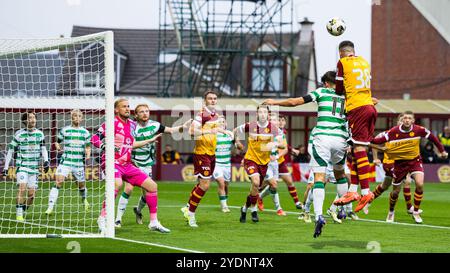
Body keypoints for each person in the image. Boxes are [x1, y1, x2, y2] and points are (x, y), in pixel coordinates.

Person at [263, 71, 349, 238]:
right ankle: (341, 209)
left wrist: (275, 102)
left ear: (325, 83)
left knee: (318, 178)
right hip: (340, 140)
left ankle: (318, 215)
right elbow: (371, 102)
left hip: (323, 138)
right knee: (341, 176)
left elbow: (295, 102)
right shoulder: (347, 96)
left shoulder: (320, 92)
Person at [93, 98, 170, 234]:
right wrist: (105, 146)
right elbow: (94, 138)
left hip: (127, 164)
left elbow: (130, 144)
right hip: (112, 161)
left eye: (128, 106)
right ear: (116, 110)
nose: (127, 108)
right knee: (117, 184)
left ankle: (153, 222)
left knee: (152, 186)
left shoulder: (133, 125)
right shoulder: (111, 123)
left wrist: (148, 140)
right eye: (124, 106)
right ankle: (103, 218)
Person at [114, 103, 191, 227]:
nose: (145, 113)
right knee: (128, 188)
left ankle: (138, 211)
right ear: (136, 115)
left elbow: (171, 130)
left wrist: (184, 127)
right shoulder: (132, 127)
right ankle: (118, 219)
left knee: (147, 192)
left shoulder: (155, 125)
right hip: (132, 163)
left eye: (147, 111)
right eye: (141, 112)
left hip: (147, 164)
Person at [371, 110, 448, 223]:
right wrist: (364, 138)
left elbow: (433, 138)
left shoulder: (419, 130)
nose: (407, 120)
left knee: (419, 184)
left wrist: (442, 151)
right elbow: (377, 140)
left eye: (409, 118)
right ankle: (391, 212)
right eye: (405, 118)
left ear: (413, 120)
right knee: (395, 191)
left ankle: (415, 212)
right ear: (402, 120)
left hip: (415, 161)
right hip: (399, 164)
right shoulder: (394, 131)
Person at [333, 40, 377, 212]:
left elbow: (338, 89)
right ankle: (352, 191)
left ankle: (365, 191)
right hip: (370, 107)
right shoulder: (365, 62)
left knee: (358, 150)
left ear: (342, 53)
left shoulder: (343, 62)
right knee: (357, 151)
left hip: (357, 108)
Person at [181, 90, 227, 228]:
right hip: (202, 153)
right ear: (205, 101)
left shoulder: (215, 115)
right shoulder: (201, 115)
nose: (213, 100)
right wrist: (209, 131)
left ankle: (188, 206)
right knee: (205, 185)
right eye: (210, 98)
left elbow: (214, 130)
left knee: (203, 184)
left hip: (211, 153)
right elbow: (191, 132)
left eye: (215, 98)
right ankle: (191, 214)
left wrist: (223, 130)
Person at [234, 105, 281, 223]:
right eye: (260, 112)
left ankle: (244, 208)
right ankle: (254, 210)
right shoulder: (250, 126)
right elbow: (235, 131)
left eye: (265, 112)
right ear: (257, 114)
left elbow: (282, 143)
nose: (263, 114)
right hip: (250, 159)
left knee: (255, 188)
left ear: (268, 115)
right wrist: (237, 142)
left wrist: (273, 145)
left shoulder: (273, 128)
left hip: (264, 163)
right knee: (255, 182)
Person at [2, 111, 49, 222]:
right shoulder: (19, 134)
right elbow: (10, 151)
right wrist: (5, 167)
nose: (32, 120)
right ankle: (19, 215)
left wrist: (46, 161)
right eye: (30, 118)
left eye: (34, 118)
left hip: (34, 168)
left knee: (32, 196)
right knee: (22, 189)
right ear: (24, 121)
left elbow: (43, 149)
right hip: (22, 167)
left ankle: (22, 209)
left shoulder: (40, 134)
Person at [45, 109, 91, 215]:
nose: (77, 118)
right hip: (65, 161)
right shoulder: (65, 130)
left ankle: (84, 200)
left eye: (79, 116)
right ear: (72, 117)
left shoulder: (85, 132)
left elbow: (88, 147)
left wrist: (88, 157)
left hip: (78, 163)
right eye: (75, 116)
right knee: (59, 181)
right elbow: (57, 141)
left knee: (81, 185)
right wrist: (58, 147)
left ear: (82, 118)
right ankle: (50, 207)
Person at [257, 112, 287, 216]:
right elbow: (260, 147)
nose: (274, 122)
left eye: (276, 120)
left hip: (275, 163)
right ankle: (279, 209)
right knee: (273, 184)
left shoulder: (280, 133)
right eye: (272, 120)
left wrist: (277, 148)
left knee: (273, 186)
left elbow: (283, 146)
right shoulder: (264, 132)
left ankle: (259, 197)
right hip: (265, 162)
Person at [213, 115, 239, 213]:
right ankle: (224, 206)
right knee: (221, 182)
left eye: (223, 122)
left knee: (226, 185)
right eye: (219, 122)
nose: (221, 124)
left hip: (227, 164)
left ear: (226, 124)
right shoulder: (214, 134)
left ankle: (224, 200)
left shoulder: (230, 134)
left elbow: (239, 146)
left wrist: (238, 144)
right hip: (216, 163)